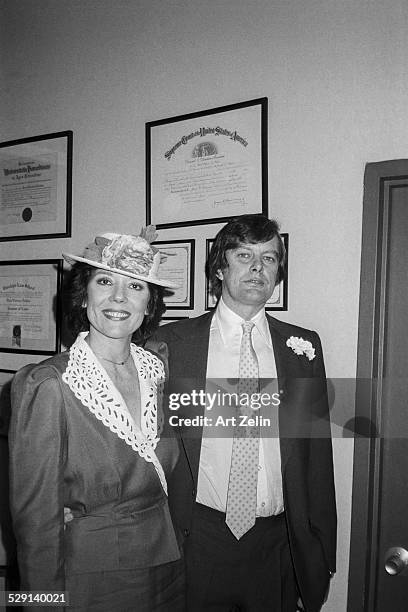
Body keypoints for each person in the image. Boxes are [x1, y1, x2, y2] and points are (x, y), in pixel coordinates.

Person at [153, 214, 337, 612]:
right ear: (219, 268)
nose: (258, 268)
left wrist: (321, 550)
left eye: (269, 258)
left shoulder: (303, 348)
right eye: (243, 255)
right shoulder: (171, 345)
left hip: (279, 544)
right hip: (197, 539)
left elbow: (316, 459)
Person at [9, 228, 185, 611]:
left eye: (135, 286)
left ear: (149, 303)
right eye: (104, 281)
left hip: (167, 570)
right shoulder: (48, 384)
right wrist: (39, 604)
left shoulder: (158, 368)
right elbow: (35, 526)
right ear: (83, 293)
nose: (119, 297)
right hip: (90, 581)